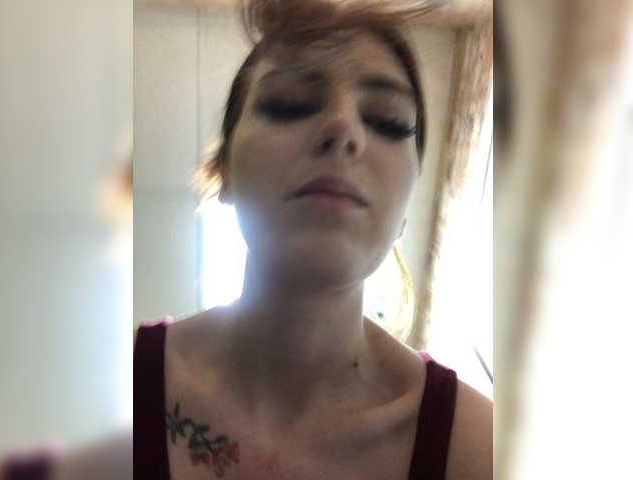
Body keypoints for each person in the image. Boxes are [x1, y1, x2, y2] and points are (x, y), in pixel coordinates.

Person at [134, 1, 491, 479]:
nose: (342, 128)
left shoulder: (480, 450)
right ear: (225, 173)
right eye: (289, 103)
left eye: (387, 119)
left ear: (406, 207)